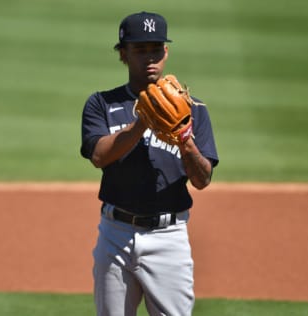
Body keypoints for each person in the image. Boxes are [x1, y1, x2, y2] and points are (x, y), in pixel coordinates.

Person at [80, 11, 219, 316]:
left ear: (166, 52)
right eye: (140, 50)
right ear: (123, 54)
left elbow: (202, 179)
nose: (150, 58)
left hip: (169, 238)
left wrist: (185, 138)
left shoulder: (193, 110)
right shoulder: (101, 104)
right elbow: (99, 156)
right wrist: (142, 121)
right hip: (115, 233)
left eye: (156, 49)